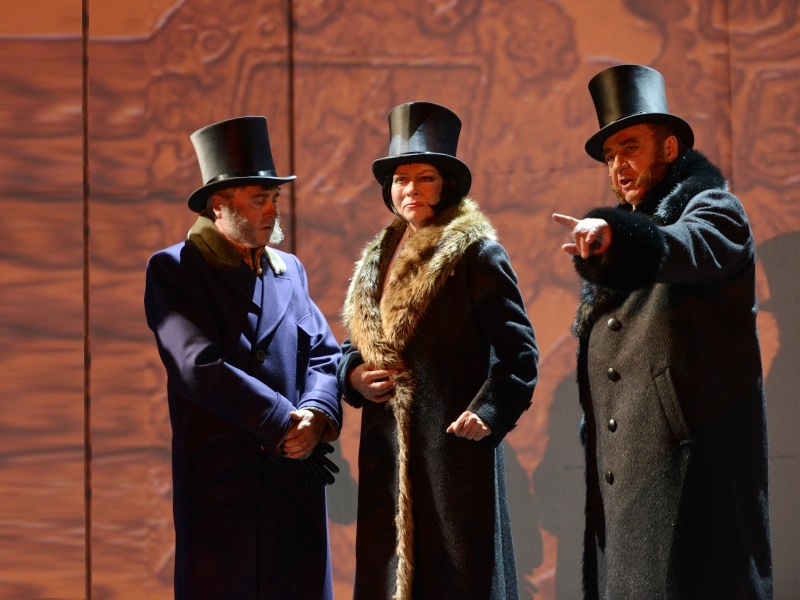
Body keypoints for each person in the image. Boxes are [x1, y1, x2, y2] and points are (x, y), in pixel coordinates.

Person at [552, 64, 772, 599]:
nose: (618, 166)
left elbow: (688, 245)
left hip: (690, 479)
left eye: (629, 148)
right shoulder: (621, 239)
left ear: (670, 149)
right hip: (628, 486)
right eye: (609, 156)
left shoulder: (715, 210)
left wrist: (619, 238)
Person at [338, 101, 538, 599]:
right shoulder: (379, 258)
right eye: (401, 179)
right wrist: (353, 376)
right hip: (387, 456)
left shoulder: (476, 254)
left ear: (447, 184)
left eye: (424, 178)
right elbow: (358, 343)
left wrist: (488, 412)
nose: (411, 189)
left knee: (456, 578)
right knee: (389, 578)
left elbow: (519, 353)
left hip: (451, 455)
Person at [144, 116, 342, 600]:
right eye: (259, 199)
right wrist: (281, 421)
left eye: (275, 198)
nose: (272, 210)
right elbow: (198, 365)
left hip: (293, 476)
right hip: (224, 485)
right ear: (220, 204)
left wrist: (316, 414)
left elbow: (324, 353)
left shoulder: (289, 269)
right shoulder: (175, 268)